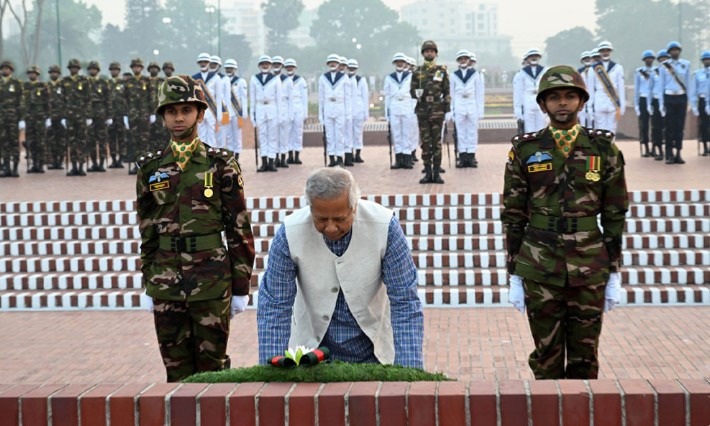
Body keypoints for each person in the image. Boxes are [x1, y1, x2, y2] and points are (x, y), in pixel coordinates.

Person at [502, 65, 628, 380]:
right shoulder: (525, 150)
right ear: (543, 104)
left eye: (570, 96)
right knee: (546, 358)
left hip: (590, 263)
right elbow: (513, 214)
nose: (562, 103)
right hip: (539, 263)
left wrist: (614, 271)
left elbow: (615, 213)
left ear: (582, 102)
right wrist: (514, 273)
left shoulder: (603, 149)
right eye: (554, 97)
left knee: (585, 359)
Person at [136, 75, 255, 382]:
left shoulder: (221, 164)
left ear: (200, 114)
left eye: (186, 110)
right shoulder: (150, 168)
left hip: (211, 279)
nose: (179, 118)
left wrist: (240, 287)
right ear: (163, 116)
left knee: (212, 372)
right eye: (171, 111)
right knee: (175, 371)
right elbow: (147, 230)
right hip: (166, 281)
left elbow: (239, 229)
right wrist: (149, 281)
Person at [257, 167, 424, 368]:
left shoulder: (385, 227)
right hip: (310, 354)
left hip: (375, 351)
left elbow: (405, 301)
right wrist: (272, 370)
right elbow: (275, 305)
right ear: (310, 208)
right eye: (321, 219)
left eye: (339, 219)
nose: (330, 228)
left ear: (354, 207)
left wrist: (409, 371)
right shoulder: (289, 233)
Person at [410, 40, 450, 184]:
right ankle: (427, 172)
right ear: (423, 54)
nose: (429, 53)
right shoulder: (418, 71)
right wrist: (416, 93)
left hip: (437, 111)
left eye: (432, 51)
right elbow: (412, 91)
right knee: (426, 143)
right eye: (427, 51)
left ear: (435, 54)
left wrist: (447, 109)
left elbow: (446, 91)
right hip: (423, 111)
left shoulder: (441, 71)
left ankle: (437, 172)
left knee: (437, 143)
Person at [657, 41, 691, 164]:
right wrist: (661, 104)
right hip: (669, 97)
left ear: (679, 51)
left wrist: (690, 101)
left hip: (681, 97)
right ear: (669, 52)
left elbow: (688, 84)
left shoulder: (686, 65)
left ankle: (678, 153)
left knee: (679, 127)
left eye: (677, 50)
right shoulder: (664, 66)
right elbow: (660, 86)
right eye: (672, 50)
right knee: (669, 127)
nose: (675, 52)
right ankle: (669, 153)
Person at [450, 49, 484, 168]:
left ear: (469, 60)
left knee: (472, 132)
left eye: (465, 58)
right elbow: (451, 94)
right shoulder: (454, 75)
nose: (463, 60)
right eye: (461, 59)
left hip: (472, 104)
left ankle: (471, 156)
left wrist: (480, 110)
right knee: (460, 132)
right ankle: (462, 156)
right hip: (459, 104)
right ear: (458, 61)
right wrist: (451, 110)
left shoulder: (476, 74)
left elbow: (479, 93)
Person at [250, 55, 280, 172]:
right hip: (260, 107)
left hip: (272, 107)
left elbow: (279, 98)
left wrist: (279, 114)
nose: (265, 66)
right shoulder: (254, 79)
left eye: (267, 64)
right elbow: (252, 98)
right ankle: (264, 161)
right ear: (259, 66)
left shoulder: (275, 79)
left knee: (272, 136)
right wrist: (252, 114)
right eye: (263, 64)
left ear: (270, 65)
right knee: (262, 136)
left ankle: (271, 161)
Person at [384, 52, 414, 169]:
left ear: (405, 63)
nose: (400, 63)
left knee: (407, 133)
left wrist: (413, 109)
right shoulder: (389, 77)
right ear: (394, 63)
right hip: (394, 106)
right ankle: (398, 158)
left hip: (407, 105)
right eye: (398, 62)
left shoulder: (411, 76)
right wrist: (387, 112)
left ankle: (407, 158)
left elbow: (414, 94)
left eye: (402, 62)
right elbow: (387, 96)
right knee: (396, 133)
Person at [319, 53, 349, 167]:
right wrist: (321, 114)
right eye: (331, 62)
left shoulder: (344, 78)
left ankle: (340, 158)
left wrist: (348, 113)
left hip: (340, 107)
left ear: (338, 64)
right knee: (330, 135)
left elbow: (348, 97)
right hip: (328, 107)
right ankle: (331, 157)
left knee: (339, 134)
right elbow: (321, 98)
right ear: (328, 64)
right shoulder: (323, 78)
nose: (332, 64)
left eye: (335, 62)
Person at [588, 41, 625, 133]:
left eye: (607, 50)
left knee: (612, 130)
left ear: (610, 51)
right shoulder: (593, 69)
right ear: (599, 52)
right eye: (603, 51)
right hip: (599, 101)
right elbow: (590, 90)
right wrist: (589, 107)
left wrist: (622, 105)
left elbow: (621, 88)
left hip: (613, 102)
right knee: (600, 130)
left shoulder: (618, 68)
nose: (605, 53)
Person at [62, 58, 91, 176]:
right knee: (72, 142)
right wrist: (63, 115)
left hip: (81, 115)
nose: (73, 69)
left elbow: (88, 98)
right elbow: (61, 99)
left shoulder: (84, 81)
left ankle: (81, 166)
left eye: (75, 67)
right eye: (71, 67)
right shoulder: (64, 81)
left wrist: (88, 115)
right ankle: (73, 166)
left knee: (82, 141)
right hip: (69, 116)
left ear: (78, 69)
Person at [124, 58, 152, 174]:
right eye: (134, 67)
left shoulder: (147, 80)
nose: (136, 68)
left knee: (144, 141)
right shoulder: (128, 82)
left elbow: (151, 97)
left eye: (138, 66)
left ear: (141, 68)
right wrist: (125, 115)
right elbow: (124, 99)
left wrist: (152, 113)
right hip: (132, 115)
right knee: (134, 141)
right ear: (132, 68)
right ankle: (136, 165)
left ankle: (144, 165)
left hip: (144, 115)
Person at [86, 60, 112, 172]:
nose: (93, 71)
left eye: (94, 69)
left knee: (102, 140)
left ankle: (101, 163)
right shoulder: (85, 82)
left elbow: (108, 100)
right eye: (91, 69)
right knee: (90, 140)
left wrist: (109, 116)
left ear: (98, 70)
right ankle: (94, 163)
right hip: (89, 115)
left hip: (101, 114)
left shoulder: (103, 82)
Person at [513, 48, 547, 133]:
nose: (534, 58)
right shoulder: (521, 73)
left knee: (542, 125)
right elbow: (518, 92)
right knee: (529, 126)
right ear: (527, 59)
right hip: (527, 99)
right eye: (531, 56)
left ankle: (540, 141)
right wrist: (518, 109)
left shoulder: (545, 71)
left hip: (541, 98)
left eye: (536, 56)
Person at [23, 65, 48, 174]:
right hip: (29, 117)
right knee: (31, 141)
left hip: (40, 117)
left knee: (40, 141)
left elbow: (47, 101)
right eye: (30, 73)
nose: (31, 75)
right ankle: (34, 163)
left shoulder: (43, 86)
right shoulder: (24, 86)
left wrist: (47, 116)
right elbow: (21, 102)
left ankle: (41, 164)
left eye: (33, 73)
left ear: (37, 75)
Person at [224, 58, 248, 161]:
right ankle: (230, 156)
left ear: (235, 69)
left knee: (237, 136)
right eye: (227, 68)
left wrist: (244, 113)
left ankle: (237, 157)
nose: (229, 70)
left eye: (231, 68)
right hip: (226, 113)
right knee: (228, 135)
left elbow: (244, 98)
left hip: (238, 112)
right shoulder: (222, 81)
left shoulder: (241, 81)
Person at [285, 58, 308, 165]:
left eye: (292, 67)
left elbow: (304, 98)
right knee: (288, 132)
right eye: (288, 67)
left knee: (298, 132)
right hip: (287, 108)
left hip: (298, 107)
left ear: (295, 68)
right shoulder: (283, 80)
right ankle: (290, 155)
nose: (290, 68)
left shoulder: (301, 80)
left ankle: (297, 155)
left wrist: (305, 113)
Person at [634, 50, 656, 157]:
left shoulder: (657, 71)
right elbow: (636, 89)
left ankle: (655, 147)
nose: (649, 60)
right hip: (643, 98)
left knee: (655, 125)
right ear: (644, 60)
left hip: (653, 99)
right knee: (644, 125)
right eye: (647, 58)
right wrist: (636, 105)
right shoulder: (639, 72)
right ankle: (646, 147)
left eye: (651, 58)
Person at [650, 49, 670, 161]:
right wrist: (649, 104)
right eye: (661, 59)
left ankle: (669, 151)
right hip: (656, 101)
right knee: (657, 127)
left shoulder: (672, 71)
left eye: (665, 58)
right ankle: (659, 151)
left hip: (668, 101)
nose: (663, 60)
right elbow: (650, 89)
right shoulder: (654, 72)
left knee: (668, 127)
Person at [347, 58, 368, 164]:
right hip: (348, 109)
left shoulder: (361, 80)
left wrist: (366, 112)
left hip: (359, 108)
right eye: (350, 67)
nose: (352, 69)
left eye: (353, 67)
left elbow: (365, 97)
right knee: (348, 133)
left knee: (358, 133)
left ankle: (358, 154)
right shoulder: (344, 79)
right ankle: (349, 153)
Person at [46, 64, 67, 170]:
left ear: (58, 74)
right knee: (51, 140)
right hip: (50, 117)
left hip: (61, 117)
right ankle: (53, 161)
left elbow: (67, 100)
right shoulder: (45, 86)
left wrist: (65, 116)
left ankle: (60, 160)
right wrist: (46, 117)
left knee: (61, 140)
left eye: (55, 72)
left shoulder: (63, 85)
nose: (54, 74)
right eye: (52, 72)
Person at [689, 50, 710, 156]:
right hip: (702, 100)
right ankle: (705, 146)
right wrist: (694, 106)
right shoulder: (697, 74)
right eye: (705, 59)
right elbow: (693, 91)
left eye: (708, 59)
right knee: (703, 124)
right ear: (702, 61)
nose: (707, 61)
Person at [577, 51, 593, 127]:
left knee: (592, 118)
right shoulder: (578, 72)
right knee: (582, 116)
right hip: (583, 96)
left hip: (593, 97)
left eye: (588, 58)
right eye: (585, 58)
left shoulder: (595, 70)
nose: (587, 60)